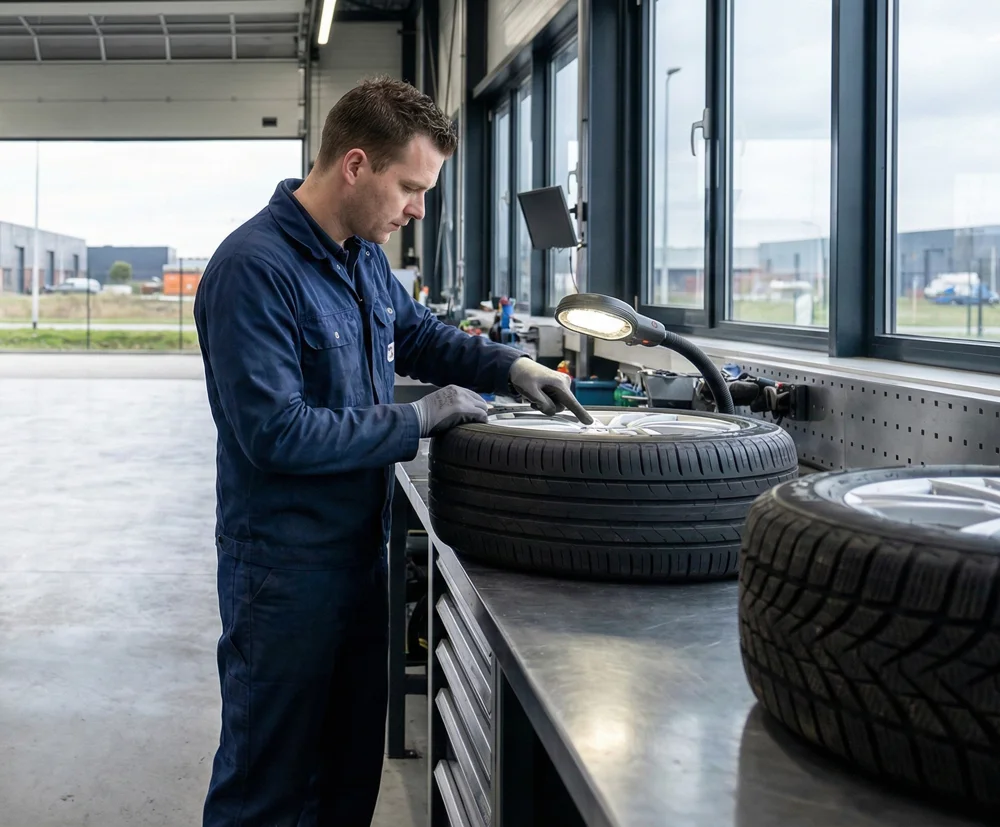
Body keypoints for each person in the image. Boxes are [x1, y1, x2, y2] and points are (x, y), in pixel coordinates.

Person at [194, 74, 592, 827]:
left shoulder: (362, 257)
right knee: (266, 784)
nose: (417, 210)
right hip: (281, 572)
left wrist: (511, 364)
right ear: (355, 165)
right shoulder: (253, 270)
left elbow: (418, 335)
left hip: (357, 556)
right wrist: (418, 421)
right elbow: (275, 431)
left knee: (347, 776)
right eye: (410, 187)